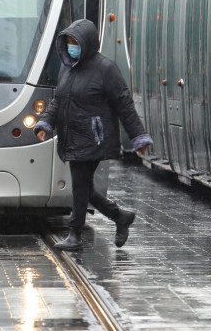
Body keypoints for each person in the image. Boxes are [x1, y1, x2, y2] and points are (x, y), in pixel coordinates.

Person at [33, 20, 153, 251]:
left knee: (79, 186)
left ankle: (75, 234)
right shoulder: (67, 68)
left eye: (75, 42)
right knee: (84, 188)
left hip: (93, 138)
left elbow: (124, 104)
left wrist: (138, 137)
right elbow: (59, 100)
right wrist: (46, 123)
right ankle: (120, 217)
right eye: (67, 42)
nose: (71, 46)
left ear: (86, 43)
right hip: (72, 136)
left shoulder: (105, 68)